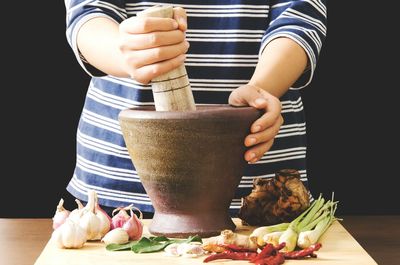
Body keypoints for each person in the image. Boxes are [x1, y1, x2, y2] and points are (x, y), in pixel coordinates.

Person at [64, 0, 327, 215]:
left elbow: (298, 18)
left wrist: (261, 89)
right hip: (120, 186)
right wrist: (125, 53)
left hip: (260, 193)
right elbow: (88, 12)